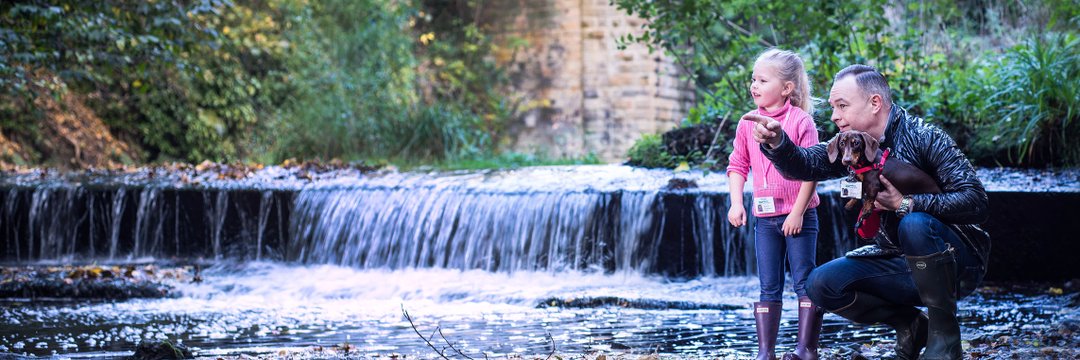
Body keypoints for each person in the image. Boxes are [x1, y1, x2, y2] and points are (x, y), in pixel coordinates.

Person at [744, 64, 990, 360]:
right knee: (820, 284)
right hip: (897, 262)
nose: (834, 116)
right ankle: (911, 325)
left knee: (914, 223)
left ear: (875, 103)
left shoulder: (926, 137)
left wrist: (905, 204)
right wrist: (778, 143)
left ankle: (944, 338)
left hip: (958, 263)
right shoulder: (851, 144)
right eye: (833, 107)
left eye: (842, 106)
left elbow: (976, 201)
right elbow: (806, 164)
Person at [726, 48, 823, 360]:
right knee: (768, 286)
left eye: (763, 80)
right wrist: (736, 203)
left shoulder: (801, 121)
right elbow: (737, 165)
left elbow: (812, 170)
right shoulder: (747, 123)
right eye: (753, 79)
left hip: (799, 217)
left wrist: (797, 213)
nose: (754, 85)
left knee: (804, 282)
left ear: (786, 88)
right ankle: (765, 352)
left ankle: (806, 350)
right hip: (765, 220)